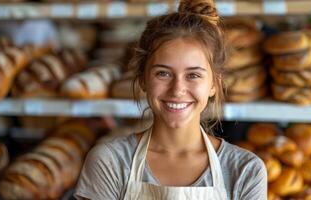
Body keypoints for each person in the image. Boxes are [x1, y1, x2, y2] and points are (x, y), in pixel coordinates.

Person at [74, 0, 267, 199]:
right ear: (142, 79)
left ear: (213, 84)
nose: (177, 90)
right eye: (163, 73)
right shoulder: (110, 162)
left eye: (193, 75)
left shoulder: (245, 171)